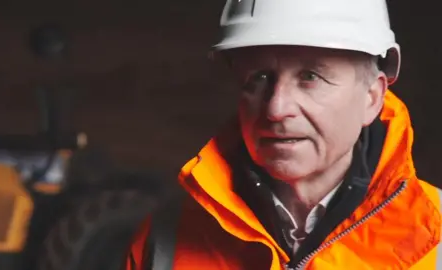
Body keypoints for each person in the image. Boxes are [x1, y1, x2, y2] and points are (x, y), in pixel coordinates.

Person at [126, 0, 442, 269]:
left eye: (310, 76)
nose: (276, 109)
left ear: (372, 97)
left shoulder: (435, 236)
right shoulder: (165, 236)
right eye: (259, 76)